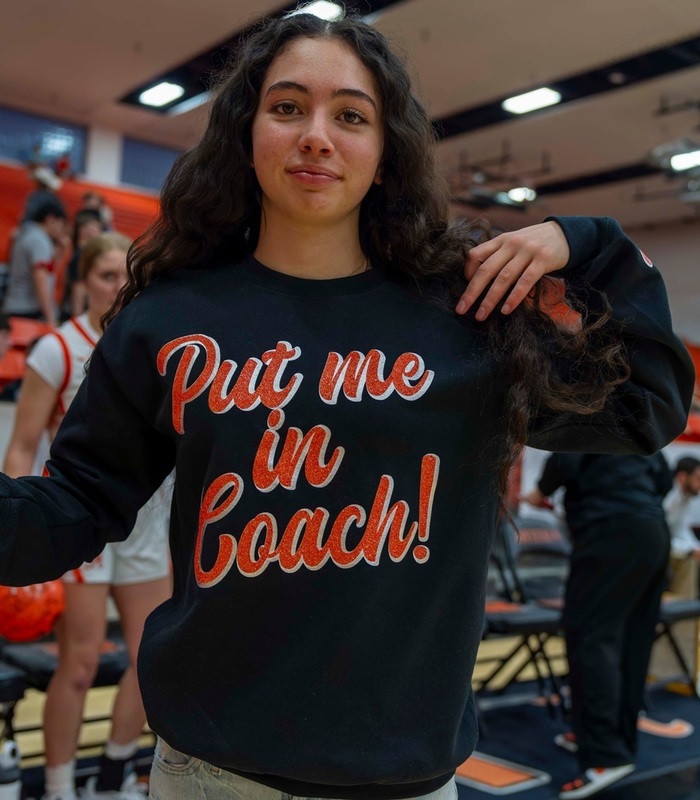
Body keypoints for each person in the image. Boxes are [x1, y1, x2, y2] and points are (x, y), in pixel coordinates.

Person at [0, 9, 694, 800]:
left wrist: (591, 243)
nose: (316, 136)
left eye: (351, 116)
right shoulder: (170, 318)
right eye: (287, 107)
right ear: (246, 133)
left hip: (405, 778)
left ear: (386, 150)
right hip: (209, 773)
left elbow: (650, 406)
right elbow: (73, 507)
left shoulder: (468, 315)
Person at [2, 233, 173, 800]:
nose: (119, 286)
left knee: (151, 660)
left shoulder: (156, 342)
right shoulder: (57, 348)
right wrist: (20, 531)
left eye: (128, 275)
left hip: (146, 525)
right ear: (81, 282)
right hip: (82, 517)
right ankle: (57, 787)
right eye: (105, 275)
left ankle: (112, 775)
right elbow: (22, 445)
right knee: (77, 665)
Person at [522, 452, 673, 799]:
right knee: (633, 641)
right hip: (652, 531)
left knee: (591, 639)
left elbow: (565, 458)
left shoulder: (587, 420)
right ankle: (614, 738)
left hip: (609, 531)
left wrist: (540, 491)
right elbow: (663, 480)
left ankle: (605, 756)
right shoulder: (641, 424)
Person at [3, 196, 67, 326]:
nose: (61, 231)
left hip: (15, 305)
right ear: (50, 219)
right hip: (27, 310)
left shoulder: (25, 234)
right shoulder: (40, 240)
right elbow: (41, 280)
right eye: (61, 224)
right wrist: (51, 318)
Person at [60, 209, 106, 321]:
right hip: (77, 314)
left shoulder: (84, 253)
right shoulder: (81, 255)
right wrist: (77, 321)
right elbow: (78, 292)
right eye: (88, 227)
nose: (93, 230)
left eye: (96, 227)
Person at [664, 456, 700, 597]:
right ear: (682, 477)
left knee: (691, 559)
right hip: (656, 545)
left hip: (669, 546)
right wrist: (690, 550)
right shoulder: (668, 495)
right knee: (688, 561)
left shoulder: (686, 497)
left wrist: (695, 548)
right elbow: (663, 534)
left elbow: (682, 529)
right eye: (697, 479)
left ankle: (684, 606)